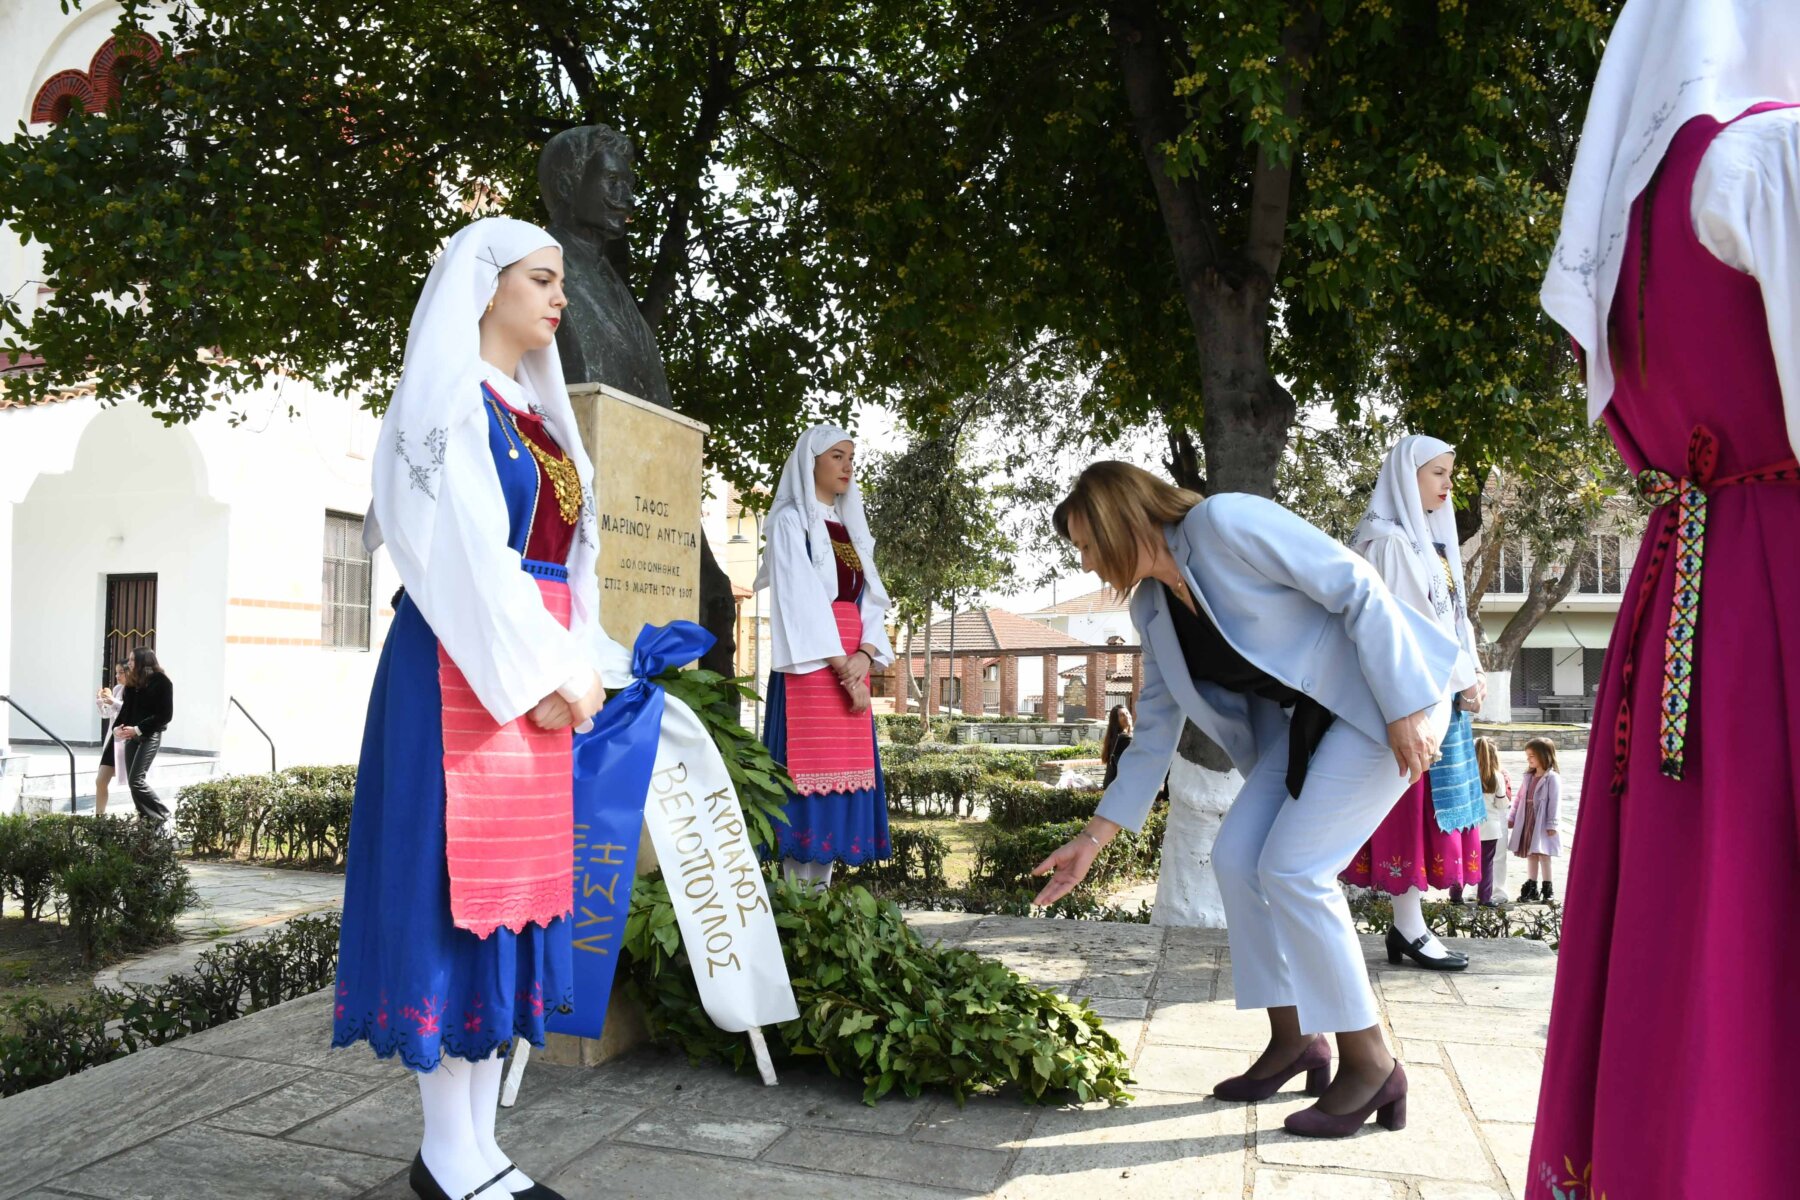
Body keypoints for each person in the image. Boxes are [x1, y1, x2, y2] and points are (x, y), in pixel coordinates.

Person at [1529, 3, 1800, 1193]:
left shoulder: (1637, 206)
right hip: (1778, 583)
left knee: (1696, 925)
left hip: (1689, 576)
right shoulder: (1772, 159)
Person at [331, 217, 629, 1200]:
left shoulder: (535, 412)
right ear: (486, 286)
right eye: (541, 279)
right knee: (452, 898)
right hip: (462, 669)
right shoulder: (446, 399)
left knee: (507, 903)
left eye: (560, 281)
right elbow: (455, 549)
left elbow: (570, 567)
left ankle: (477, 1147)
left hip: (529, 667)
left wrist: (584, 664)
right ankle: (445, 1151)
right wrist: (548, 673)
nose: (560, 297)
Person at [1032, 462, 1458, 1138]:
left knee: (1295, 869)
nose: (1085, 561)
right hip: (1308, 727)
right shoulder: (1153, 608)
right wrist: (1093, 840)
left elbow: (1356, 585)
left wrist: (1404, 704)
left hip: (1384, 699)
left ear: (1119, 519)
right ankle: (1296, 1041)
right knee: (1236, 858)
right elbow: (1156, 728)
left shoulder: (1224, 522)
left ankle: (1372, 1063)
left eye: (1087, 543)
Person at [1338, 437, 1487, 970]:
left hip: (1435, 692)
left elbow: (1453, 616)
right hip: (1408, 700)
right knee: (1407, 808)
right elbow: (1411, 626)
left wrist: (1473, 670)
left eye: (1450, 472)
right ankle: (1405, 928)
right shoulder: (1389, 542)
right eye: (1437, 473)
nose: (1448, 484)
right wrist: (1465, 675)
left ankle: (1409, 927)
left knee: (1423, 807)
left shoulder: (1425, 539)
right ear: (1407, 476)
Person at [755, 425, 895, 889]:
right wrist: (844, 669)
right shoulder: (790, 521)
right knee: (804, 788)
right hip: (812, 668)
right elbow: (801, 600)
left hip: (851, 662)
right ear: (809, 461)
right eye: (837, 456)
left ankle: (822, 899)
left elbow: (871, 598)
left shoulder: (850, 528)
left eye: (851, 457)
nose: (847, 466)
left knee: (843, 783)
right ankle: (796, 903)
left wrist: (866, 655)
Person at [110, 648, 173, 823]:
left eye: (132, 660)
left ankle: (163, 814)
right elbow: (126, 711)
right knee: (133, 783)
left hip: (150, 735)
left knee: (136, 780)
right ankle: (146, 819)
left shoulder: (162, 682)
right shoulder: (132, 683)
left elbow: (165, 715)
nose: (129, 663)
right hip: (132, 737)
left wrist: (138, 729)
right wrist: (116, 729)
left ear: (143, 661)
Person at [1450, 736, 1511, 907]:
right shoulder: (1497, 776)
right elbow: (1501, 804)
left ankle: (1455, 896)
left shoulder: (1464, 774)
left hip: (1467, 826)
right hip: (1490, 827)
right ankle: (1484, 898)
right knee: (1486, 864)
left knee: (1463, 861)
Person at [1507, 737, 1562, 904]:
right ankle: (1532, 887)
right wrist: (1512, 817)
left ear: (1544, 755)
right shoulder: (1529, 777)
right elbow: (1518, 798)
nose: (1528, 759)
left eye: (1532, 756)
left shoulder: (1552, 778)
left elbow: (1555, 802)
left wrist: (1552, 823)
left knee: (1543, 854)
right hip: (1527, 818)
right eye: (1528, 756)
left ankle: (1548, 888)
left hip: (1542, 821)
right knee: (1531, 854)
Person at [92, 662, 128, 817]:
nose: (117, 676)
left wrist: (113, 701)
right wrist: (101, 703)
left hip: (128, 740)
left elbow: (129, 710)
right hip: (113, 740)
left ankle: (144, 817)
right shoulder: (117, 689)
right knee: (100, 780)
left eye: (121, 672)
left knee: (135, 783)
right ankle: (99, 818)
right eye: (116, 672)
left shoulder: (137, 691)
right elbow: (108, 714)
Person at [1100, 704, 1134, 788]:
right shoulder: (1124, 739)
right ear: (1116, 721)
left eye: (1127, 713)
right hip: (1118, 787)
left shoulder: (1114, 738)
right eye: (1122, 715)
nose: (1126, 716)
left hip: (1111, 785)